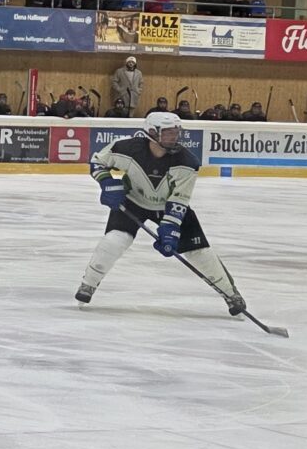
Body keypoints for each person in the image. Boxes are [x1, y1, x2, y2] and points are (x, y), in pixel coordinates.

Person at [78, 111, 247, 315]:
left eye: (176, 132)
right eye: (168, 133)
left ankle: (230, 293)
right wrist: (106, 182)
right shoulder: (127, 148)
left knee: (199, 252)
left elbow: (180, 199)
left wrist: (171, 228)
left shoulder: (187, 162)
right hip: (132, 201)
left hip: (167, 206)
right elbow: (98, 161)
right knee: (114, 240)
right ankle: (88, 283)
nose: (174, 137)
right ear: (151, 132)